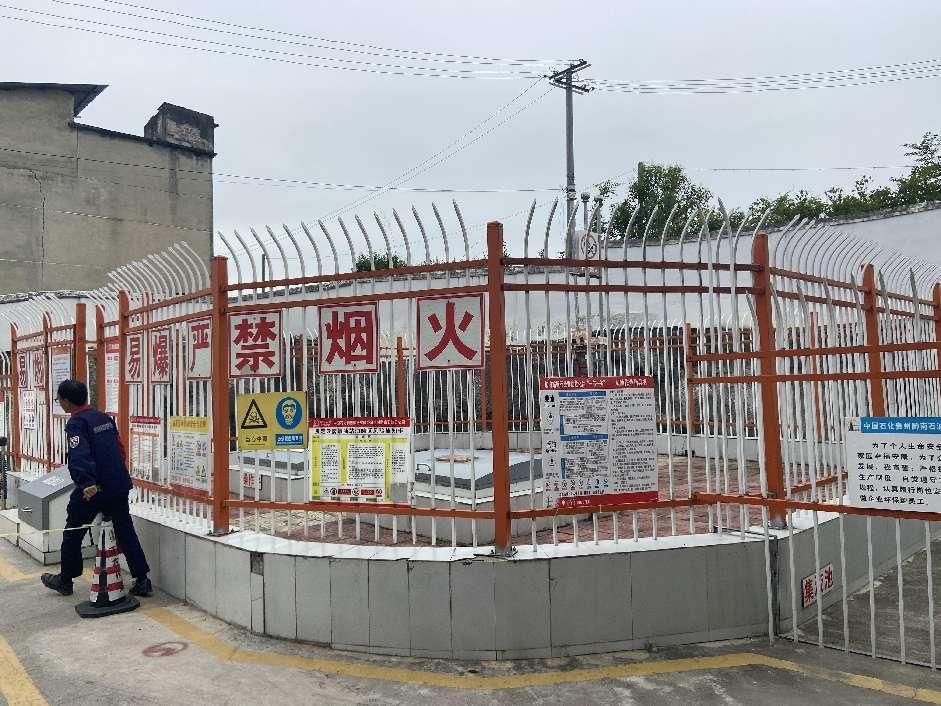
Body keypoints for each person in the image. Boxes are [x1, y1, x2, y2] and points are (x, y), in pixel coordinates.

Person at [41, 379, 152, 598]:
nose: (59, 403)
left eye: (59, 399)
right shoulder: (104, 418)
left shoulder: (77, 423)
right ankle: (142, 579)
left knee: (73, 530)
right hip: (117, 484)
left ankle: (65, 580)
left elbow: (79, 456)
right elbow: (120, 449)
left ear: (66, 401)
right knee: (125, 530)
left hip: (93, 489)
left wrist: (86, 484)